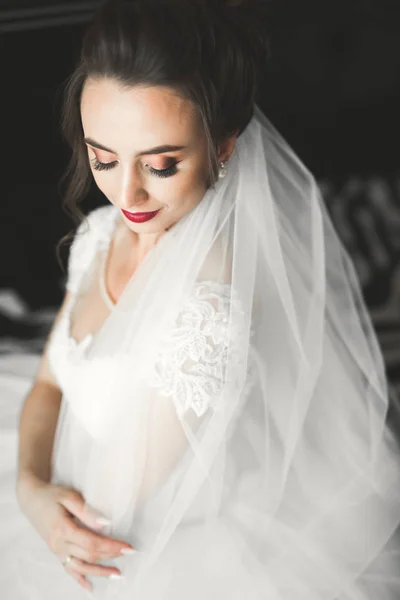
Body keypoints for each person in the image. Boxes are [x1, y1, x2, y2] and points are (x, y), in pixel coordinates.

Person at [1, 0, 400, 598]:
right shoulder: (102, 234)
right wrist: (29, 487)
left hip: (147, 537)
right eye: (103, 157)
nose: (125, 192)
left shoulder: (208, 307)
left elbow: (112, 515)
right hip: (62, 493)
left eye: (161, 165)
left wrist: (37, 503)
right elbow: (50, 385)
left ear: (224, 148)